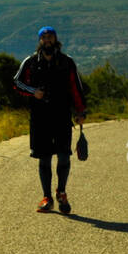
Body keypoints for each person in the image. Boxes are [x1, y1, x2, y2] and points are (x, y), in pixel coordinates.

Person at [13, 26, 87, 213]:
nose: (47, 40)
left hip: (62, 116)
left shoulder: (67, 62)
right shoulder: (30, 62)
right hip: (40, 118)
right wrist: (33, 92)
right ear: (40, 40)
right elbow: (17, 82)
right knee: (44, 159)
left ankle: (61, 192)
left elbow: (76, 87)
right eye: (44, 37)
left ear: (55, 39)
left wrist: (80, 111)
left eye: (50, 37)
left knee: (64, 156)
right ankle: (47, 197)